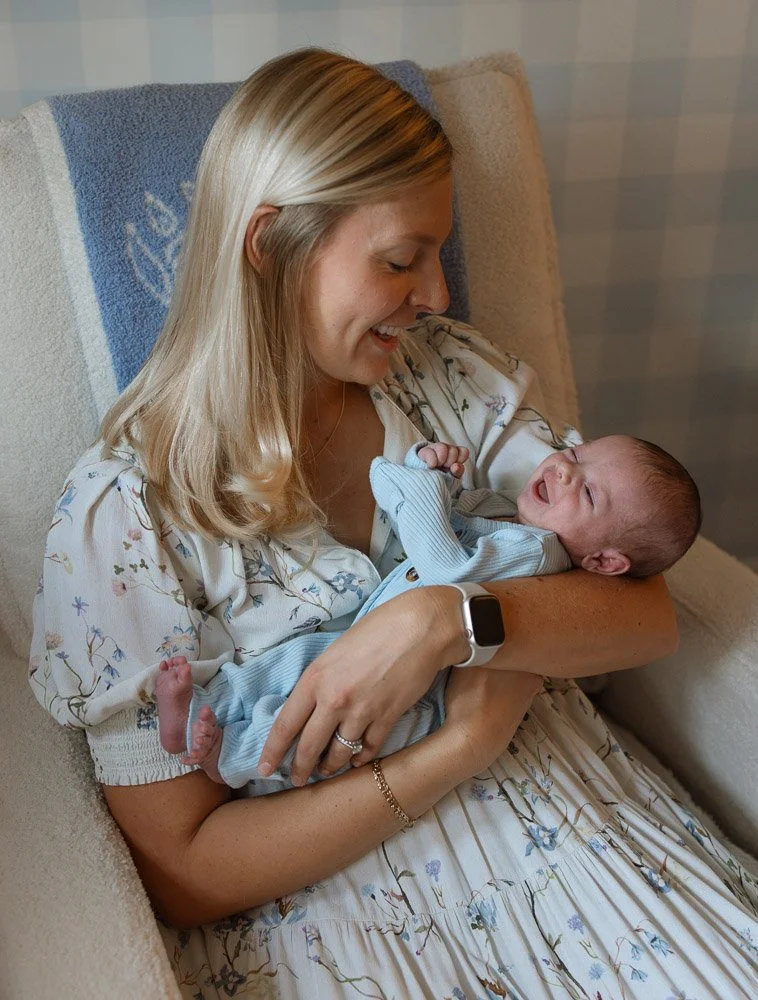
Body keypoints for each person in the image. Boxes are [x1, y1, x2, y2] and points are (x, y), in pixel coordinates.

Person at [29, 48, 756, 998]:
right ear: (270, 245)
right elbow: (185, 871)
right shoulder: (130, 509)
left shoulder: (447, 379)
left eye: (437, 254)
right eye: (401, 259)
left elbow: (641, 611)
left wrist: (442, 624)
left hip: (590, 832)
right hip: (351, 907)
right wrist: (459, 745)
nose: (439, 295)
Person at [156, 434, 701, 791]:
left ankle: (230, 757)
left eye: (589, 494)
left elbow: (447, 570)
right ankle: (207, 707)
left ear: (605, 561)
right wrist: (438, 475)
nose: (563, 471)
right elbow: (457, 517)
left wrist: (413, 486)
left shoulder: (538, 552)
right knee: (292, 665)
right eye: (575, 455)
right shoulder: (515, 518)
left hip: (417, 695)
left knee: (313, 720)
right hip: (369, 637)